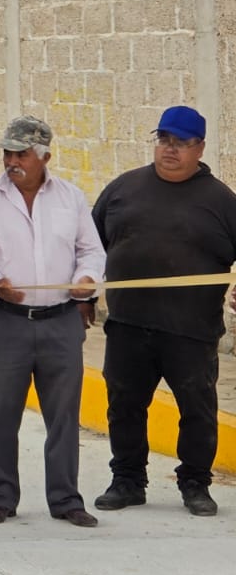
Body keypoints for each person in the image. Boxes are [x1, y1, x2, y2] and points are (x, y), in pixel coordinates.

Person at [92, 105, 236, 517]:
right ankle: (127, 481)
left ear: (200, 147)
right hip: (128, 324)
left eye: (181, 142)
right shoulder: (123, 189)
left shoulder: (222, 201)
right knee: (124, 405)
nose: (170, 149)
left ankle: (195, 484)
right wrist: (84, 296)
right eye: (164, 140)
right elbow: (89, 244)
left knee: (197, 410)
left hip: (191, 331)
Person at [0, 115, 104, 528]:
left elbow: (91, 251)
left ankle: (66, 500)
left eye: (21, 154)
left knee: (63, 416)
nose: (12, 161)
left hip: (60, 322)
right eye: (8, 153)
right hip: (5, 322)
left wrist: (87, 280)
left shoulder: (71, 198)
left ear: (45, 155)